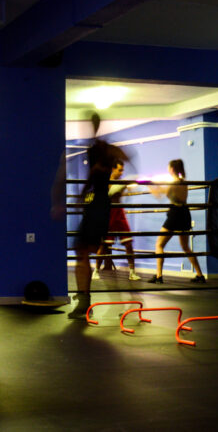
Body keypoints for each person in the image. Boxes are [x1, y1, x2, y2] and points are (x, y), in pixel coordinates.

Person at [66, 113, 129, 319]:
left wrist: (83, 195)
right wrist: (83, 197)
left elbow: (96, 173)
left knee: (83, 251)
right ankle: (84, 299)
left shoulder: (103, 151)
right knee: (81, 252)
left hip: (99, 207)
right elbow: (93, 176)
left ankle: (84, 300)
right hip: (95, 206)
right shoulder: (96, 149)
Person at [147, 159, 205, 284]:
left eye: (169, 167)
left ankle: (159, 276)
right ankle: (200, 275)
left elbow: (159, 195)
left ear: (172, 169)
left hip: (175, 214)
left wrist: (149, 184)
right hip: (185, 213)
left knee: (159, 245)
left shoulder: (172, 183)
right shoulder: (183, 183)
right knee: (185, 246)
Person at [92, 161, 141, 281]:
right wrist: (125, 184)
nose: (121, 172)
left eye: (122, 170)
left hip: (119, 213)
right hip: (108, 214)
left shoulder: (120, 182)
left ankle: (132, 272)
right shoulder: (105, 182)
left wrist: (128, 185)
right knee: (104, 245)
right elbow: (109, 194)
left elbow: (125, 189)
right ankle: (96, 271)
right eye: (119, 170)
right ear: (113, 169)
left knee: (128, 244)